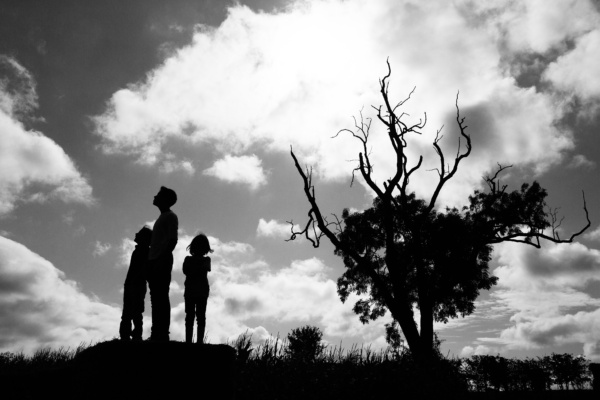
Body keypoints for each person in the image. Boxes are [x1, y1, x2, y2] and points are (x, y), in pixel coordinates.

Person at [147, 186, 178, 341]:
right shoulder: (162, 218)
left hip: (161, 260)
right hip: (154, 261)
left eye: (158, 195)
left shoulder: (170, 217)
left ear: (165, 199)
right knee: (155, 298)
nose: (155, 196)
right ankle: (156, 333)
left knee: (161, 297)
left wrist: (161, 260)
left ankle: (162, 333)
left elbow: (172, 240)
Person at [119, 226, 152, 341]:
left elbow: (143, 269)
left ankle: (134, 335)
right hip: (132, 284)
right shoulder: (140, 251)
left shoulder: (144, 251)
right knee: (129, 311)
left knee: (134, 311)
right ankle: (128, 335)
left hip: (136, 284)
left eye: (140, 233)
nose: (136, 234)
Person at [183, 233, 213, 343]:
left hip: (197, 290)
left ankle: (197, 341)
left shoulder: (204, 260)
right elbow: (188, 271)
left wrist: (194, 268)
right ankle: (191, 341)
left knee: (197, 316)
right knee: (193, 316)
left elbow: (189, 271)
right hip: (196, 290)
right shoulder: (200, 260)